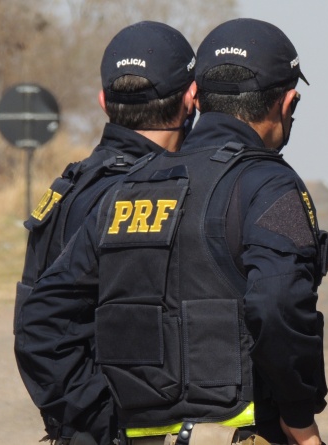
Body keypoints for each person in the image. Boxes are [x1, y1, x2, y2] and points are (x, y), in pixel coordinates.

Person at [16, 17, 328, 445]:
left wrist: (99, 425)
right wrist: (300, 418)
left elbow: (41, 320)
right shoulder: (272, 186)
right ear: (288, 102)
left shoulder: (131, 185)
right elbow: (277, 303)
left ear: (197, 97)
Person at [14, 21, 197, 445]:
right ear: (192, 99)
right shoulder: (144, 195)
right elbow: (42, 324)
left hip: (75, 423)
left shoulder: (71, 186)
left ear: (102, 101)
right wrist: (109, 424)